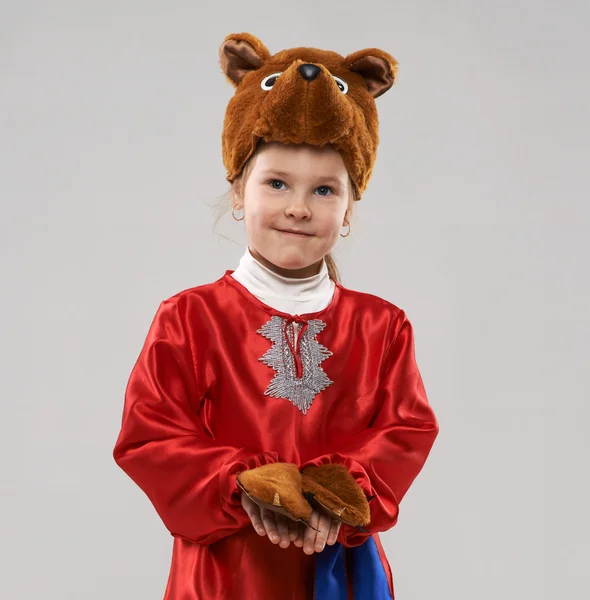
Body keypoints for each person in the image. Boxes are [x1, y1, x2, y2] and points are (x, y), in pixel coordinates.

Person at [113, 32, 439, 600]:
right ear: (239, 191)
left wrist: (345, 489)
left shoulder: (382, 328)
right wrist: (242, 484)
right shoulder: (190, 318)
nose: (298, 206)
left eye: (324, 190)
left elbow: (406, 431)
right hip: (226, 575)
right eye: (277, 183)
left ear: (348, 210)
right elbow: (149, 436)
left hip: (338, 572)